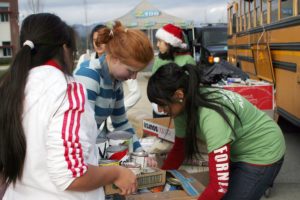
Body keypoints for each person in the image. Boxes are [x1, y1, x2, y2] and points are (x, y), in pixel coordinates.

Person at [0, 13, 137, 200]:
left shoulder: (13, 87)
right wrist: (117, 173)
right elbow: (72, 176)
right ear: (65, 48)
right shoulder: (65, 89)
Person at [147, 63, 285, 200]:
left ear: (179, 94)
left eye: (162, 104)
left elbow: (219, 186)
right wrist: (160, 179)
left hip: (263, 150)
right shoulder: (183, 105)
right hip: (240, 151)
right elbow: (180, 148)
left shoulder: (212, 115)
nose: (160, 110)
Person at [74, 21, 154, 154]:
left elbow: (121, 123)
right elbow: (81, 130)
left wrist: (140, 152)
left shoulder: (115, 82)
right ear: (115, 58)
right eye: (130, 70)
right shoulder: (89, 76)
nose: (133, 77)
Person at [152, 23, 196, 117]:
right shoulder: (159, 60)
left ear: (170, 43)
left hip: (180, 108)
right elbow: (153, 84)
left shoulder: (187, 59)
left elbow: (192, 86)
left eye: (160, 41)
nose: (157, 44)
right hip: (161, 107)